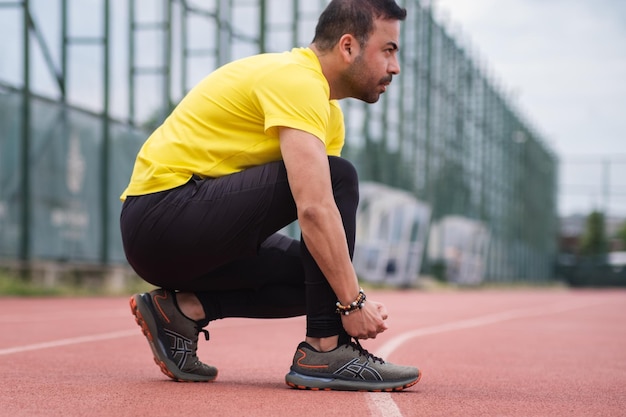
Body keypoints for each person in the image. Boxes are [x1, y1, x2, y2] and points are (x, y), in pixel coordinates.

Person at [120, 0, 421, 392]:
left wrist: (347, 294)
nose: (394, 68)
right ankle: (325, 350)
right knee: (338, 182)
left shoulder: (328, 116)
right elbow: (314, 207)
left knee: (321, 280)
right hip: (160, 218)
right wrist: (353, 303)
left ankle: (180, 310)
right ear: (348, 46)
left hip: (193, 234)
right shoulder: (296, 80)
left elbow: (323, 228)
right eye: (389, 50)